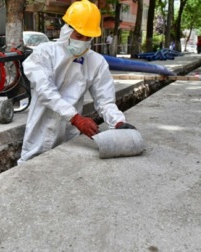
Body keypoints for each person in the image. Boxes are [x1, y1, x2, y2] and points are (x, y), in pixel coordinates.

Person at [17, 0, 136, 164]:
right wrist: (76, 118)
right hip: (40, 129)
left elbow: (105, 101)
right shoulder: (44, 53)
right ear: (66, 30)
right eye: (79, 36)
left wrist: (118, 122)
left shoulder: (96, 62)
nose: (83, 41)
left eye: (88, 38)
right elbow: (46, 91)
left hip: (69, 134)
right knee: (31, 167)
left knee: (65, 168)